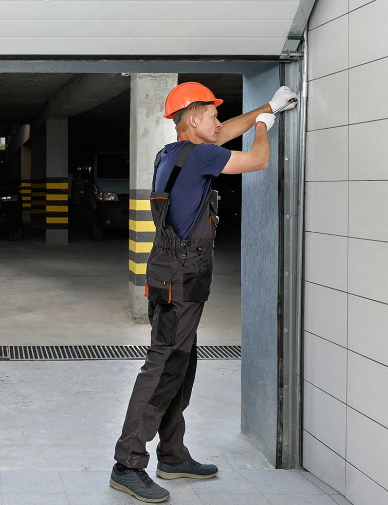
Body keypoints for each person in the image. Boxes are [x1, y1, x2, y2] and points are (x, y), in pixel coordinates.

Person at [110, 82, 298, 502]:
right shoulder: (202, 156)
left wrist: (267, 107)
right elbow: (257, 160)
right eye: (211, 113)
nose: (218, 119)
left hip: (172, 276)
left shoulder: (173, 153)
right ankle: (127, 464)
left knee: (181, 365)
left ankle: (173, 455)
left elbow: (223, 133)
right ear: (192, 119)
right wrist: (265, 126)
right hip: (181, 279)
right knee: (163, 369)